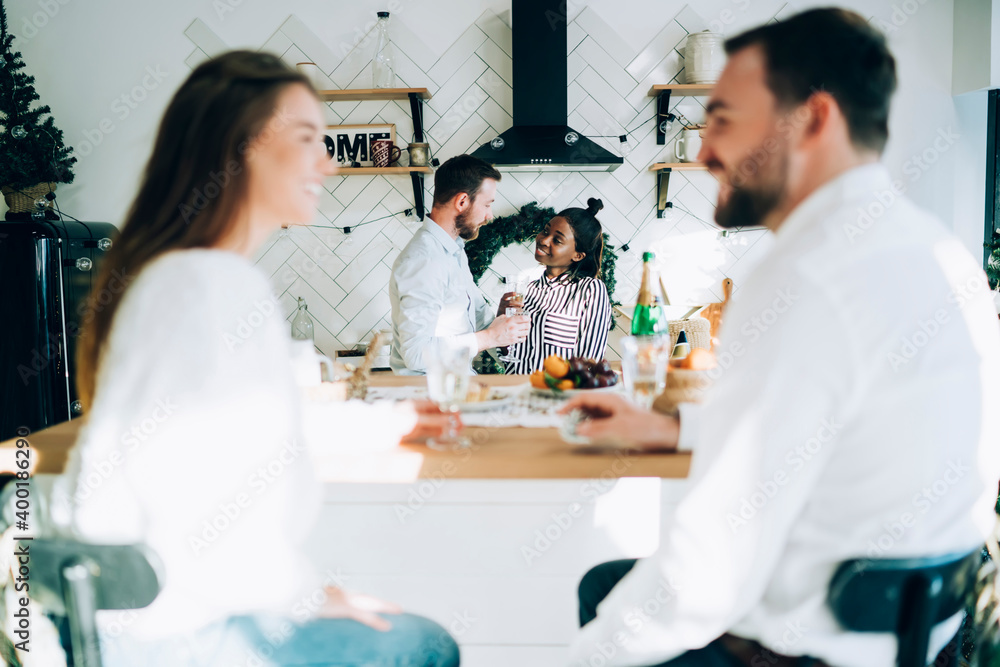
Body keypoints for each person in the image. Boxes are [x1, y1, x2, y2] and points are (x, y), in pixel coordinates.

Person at [561, 9, 1000, 667]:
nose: (705, 150)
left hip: (809, 654)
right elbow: (837, 430)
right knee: (609, 584)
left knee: (610, 600)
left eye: (725, 121)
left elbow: (704, 574)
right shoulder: (940, 252)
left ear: (815, 120)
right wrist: (676, 431)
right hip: (923, 638)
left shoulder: (803, 273)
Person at [43, 51, 460, 666]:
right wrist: (303, 595)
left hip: (134, 614)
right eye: (307, 139)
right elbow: (192, 507)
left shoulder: (179, 276)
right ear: (238, 150)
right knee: (422, 647)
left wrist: (380, 423)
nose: (327, 161)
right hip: (173, 632)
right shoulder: (210, 286)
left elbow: (226, 431)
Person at [389, 154, 531, 374]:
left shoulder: (454, 251)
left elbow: (475, 321)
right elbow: (416, 354)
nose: (489, 216)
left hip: (457, 390)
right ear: (462, 201)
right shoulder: (425, 260)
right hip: (430, 398)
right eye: (487, 204)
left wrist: (498, 321)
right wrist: (490, 336)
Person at [499, 197, 612, 374]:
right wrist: (502, 318)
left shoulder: (590, 290)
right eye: (545, 231)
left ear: (578, 255)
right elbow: (511, 358)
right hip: (516, 392)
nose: (544, 240)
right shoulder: (528, 290)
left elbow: (590, 362)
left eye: (557, 240)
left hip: (556, 397)